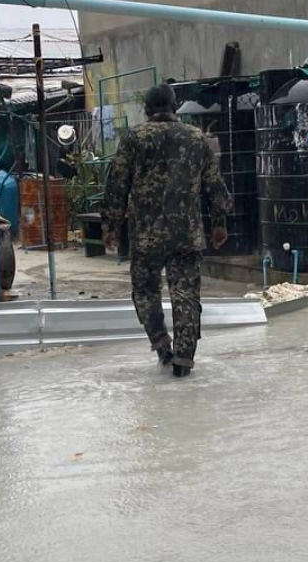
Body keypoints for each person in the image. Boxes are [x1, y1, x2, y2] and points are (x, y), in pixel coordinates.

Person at [103, 84, 232, 378]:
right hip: (186, 234)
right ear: (175, 107)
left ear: (147, 109)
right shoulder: (196, 138)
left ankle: (162, 344)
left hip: (145, 236)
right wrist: (219, 223)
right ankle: (184, 360)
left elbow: (117, 184)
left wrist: (111, 226)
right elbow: (214, 184)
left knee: (145, 292)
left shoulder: (134, 139)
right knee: (185, 294)